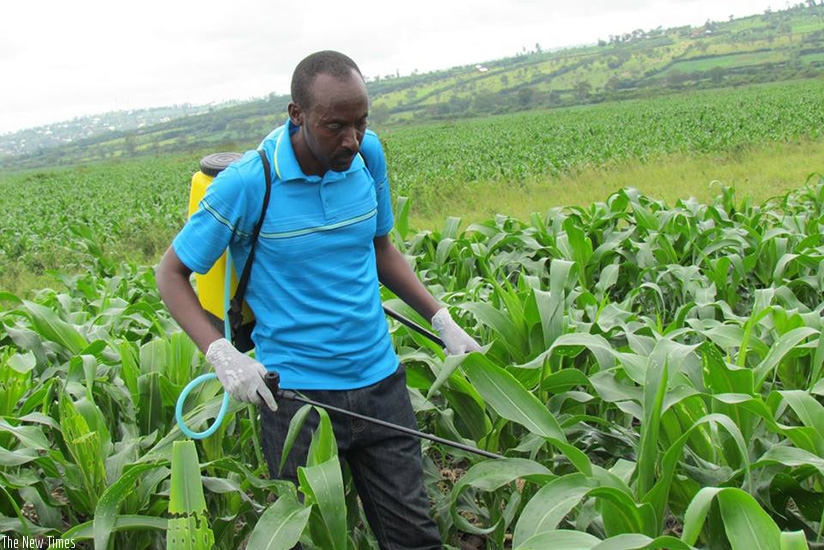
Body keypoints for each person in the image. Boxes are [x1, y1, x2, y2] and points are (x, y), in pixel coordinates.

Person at [156, 50, 480, 549]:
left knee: (415, 537)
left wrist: (441, 318)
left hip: (381, 383)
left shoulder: (368, 155)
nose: (351, 139)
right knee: (309, 538)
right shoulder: (249, 183)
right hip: (297, 401)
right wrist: (222, 354)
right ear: (297, 115)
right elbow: (171, 274)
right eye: (335, 126)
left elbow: (381, 249)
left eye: (361, 121)